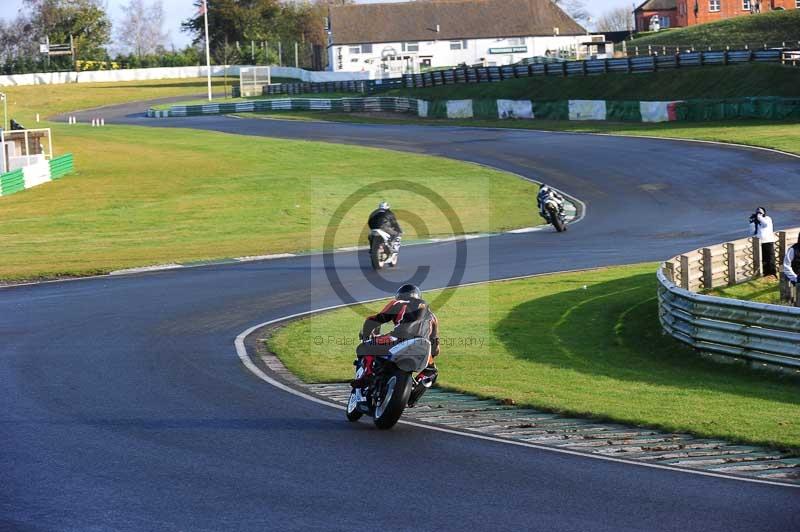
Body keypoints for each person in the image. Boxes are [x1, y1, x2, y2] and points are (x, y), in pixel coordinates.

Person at [351, 284, 440, 398]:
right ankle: (413, 391)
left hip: (399, 338)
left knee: (364, 348)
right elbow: (435, 347)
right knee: (432, 371)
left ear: (400, 296)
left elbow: (374, 320)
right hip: (423, 345)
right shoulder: (432, 317)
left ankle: (367, 377)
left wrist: (366, 335)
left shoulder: (398, 303)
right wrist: (430, 355)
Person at [750, 207, 777, 277]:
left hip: (768, 241)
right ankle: (765, 273)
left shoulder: (767, 219)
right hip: (760, 242)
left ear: (764, 213)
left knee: (770, 258)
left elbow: (765, 224)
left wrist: (759, 217)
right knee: (763, 259)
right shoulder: (757, 222)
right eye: (757, 212)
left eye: (760, 212)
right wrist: (752, 223)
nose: (758, 214)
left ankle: (772, 273)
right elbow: (752, 232)